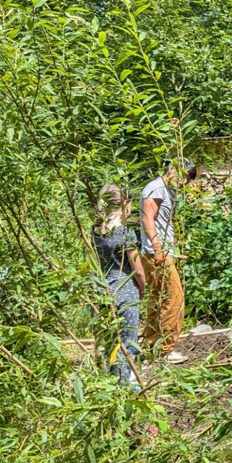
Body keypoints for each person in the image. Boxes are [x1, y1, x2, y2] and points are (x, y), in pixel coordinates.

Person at [140, 159, 198, 363]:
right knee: (174, 299)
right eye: (185, 177)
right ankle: (165, 349)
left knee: (159, 299)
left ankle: (150, 345)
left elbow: (163, 220)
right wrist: (158, 249)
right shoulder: (156, 188)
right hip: (156, 253)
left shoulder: (168, 190)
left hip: (162, 251)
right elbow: (148, 218)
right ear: (174, 170)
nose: (184, 183)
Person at [93, 184, 147, 389]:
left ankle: (111, 382)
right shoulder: (124, 232)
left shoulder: (96, 229)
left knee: (110, 341)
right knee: (127, 342)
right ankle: (124, 384)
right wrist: (143, 288)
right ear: (126, 203)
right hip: (125, 290)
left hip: (103, 289)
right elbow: (137, 269)